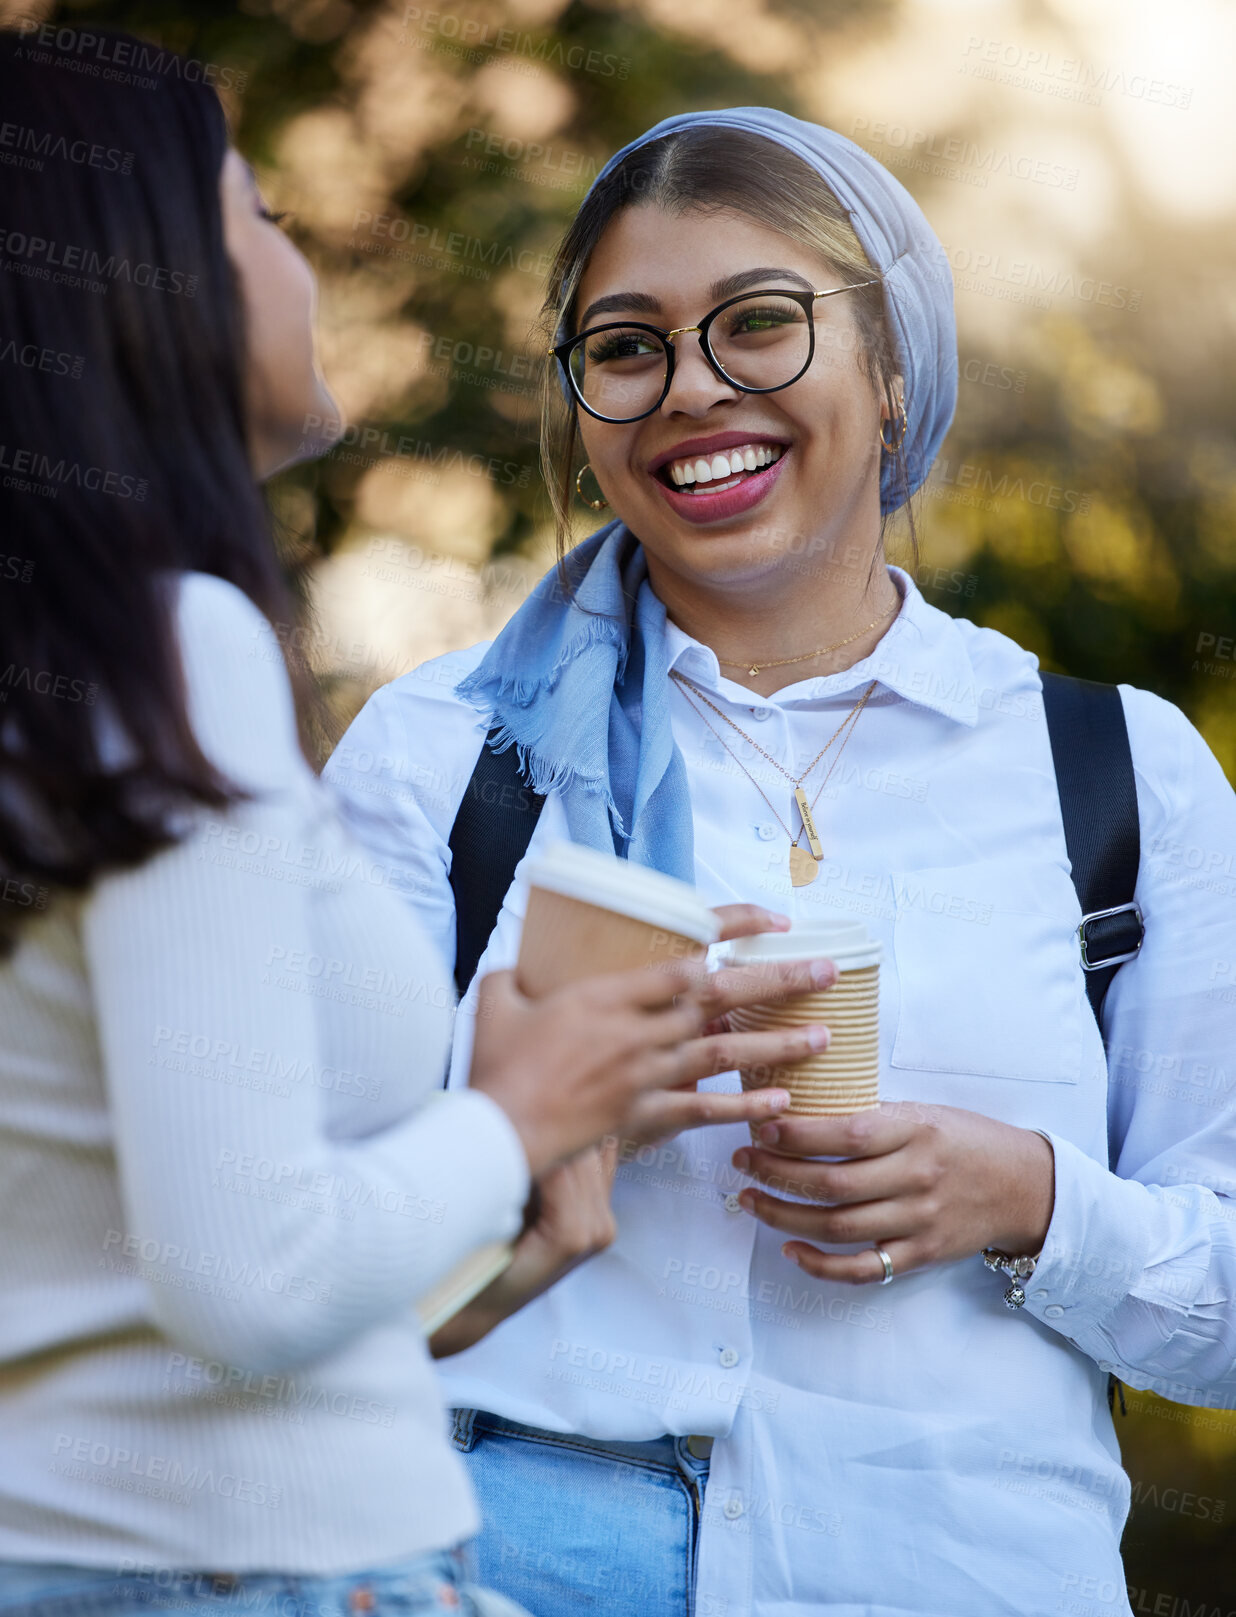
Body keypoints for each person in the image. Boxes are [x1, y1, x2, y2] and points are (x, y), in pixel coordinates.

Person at [325, 108, 1236, 1616]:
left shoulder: (1117, 776)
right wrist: (529, 1124)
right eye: (628, 347)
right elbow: (276, 1254)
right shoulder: (443, 756)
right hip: (506, 1566)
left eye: (759, 323)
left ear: (891, 371)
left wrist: (1028, 1200)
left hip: (956, 1571)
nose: (692, 388)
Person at [0, 45, 826, 1617]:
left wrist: (500, 1234)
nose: (292, 259)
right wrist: (524, 1106)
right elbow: (250, 1277)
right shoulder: (176, 658)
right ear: (140, 277)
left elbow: (131, 1261)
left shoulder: (67, 678)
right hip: (248, 1570)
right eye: (254, 209)